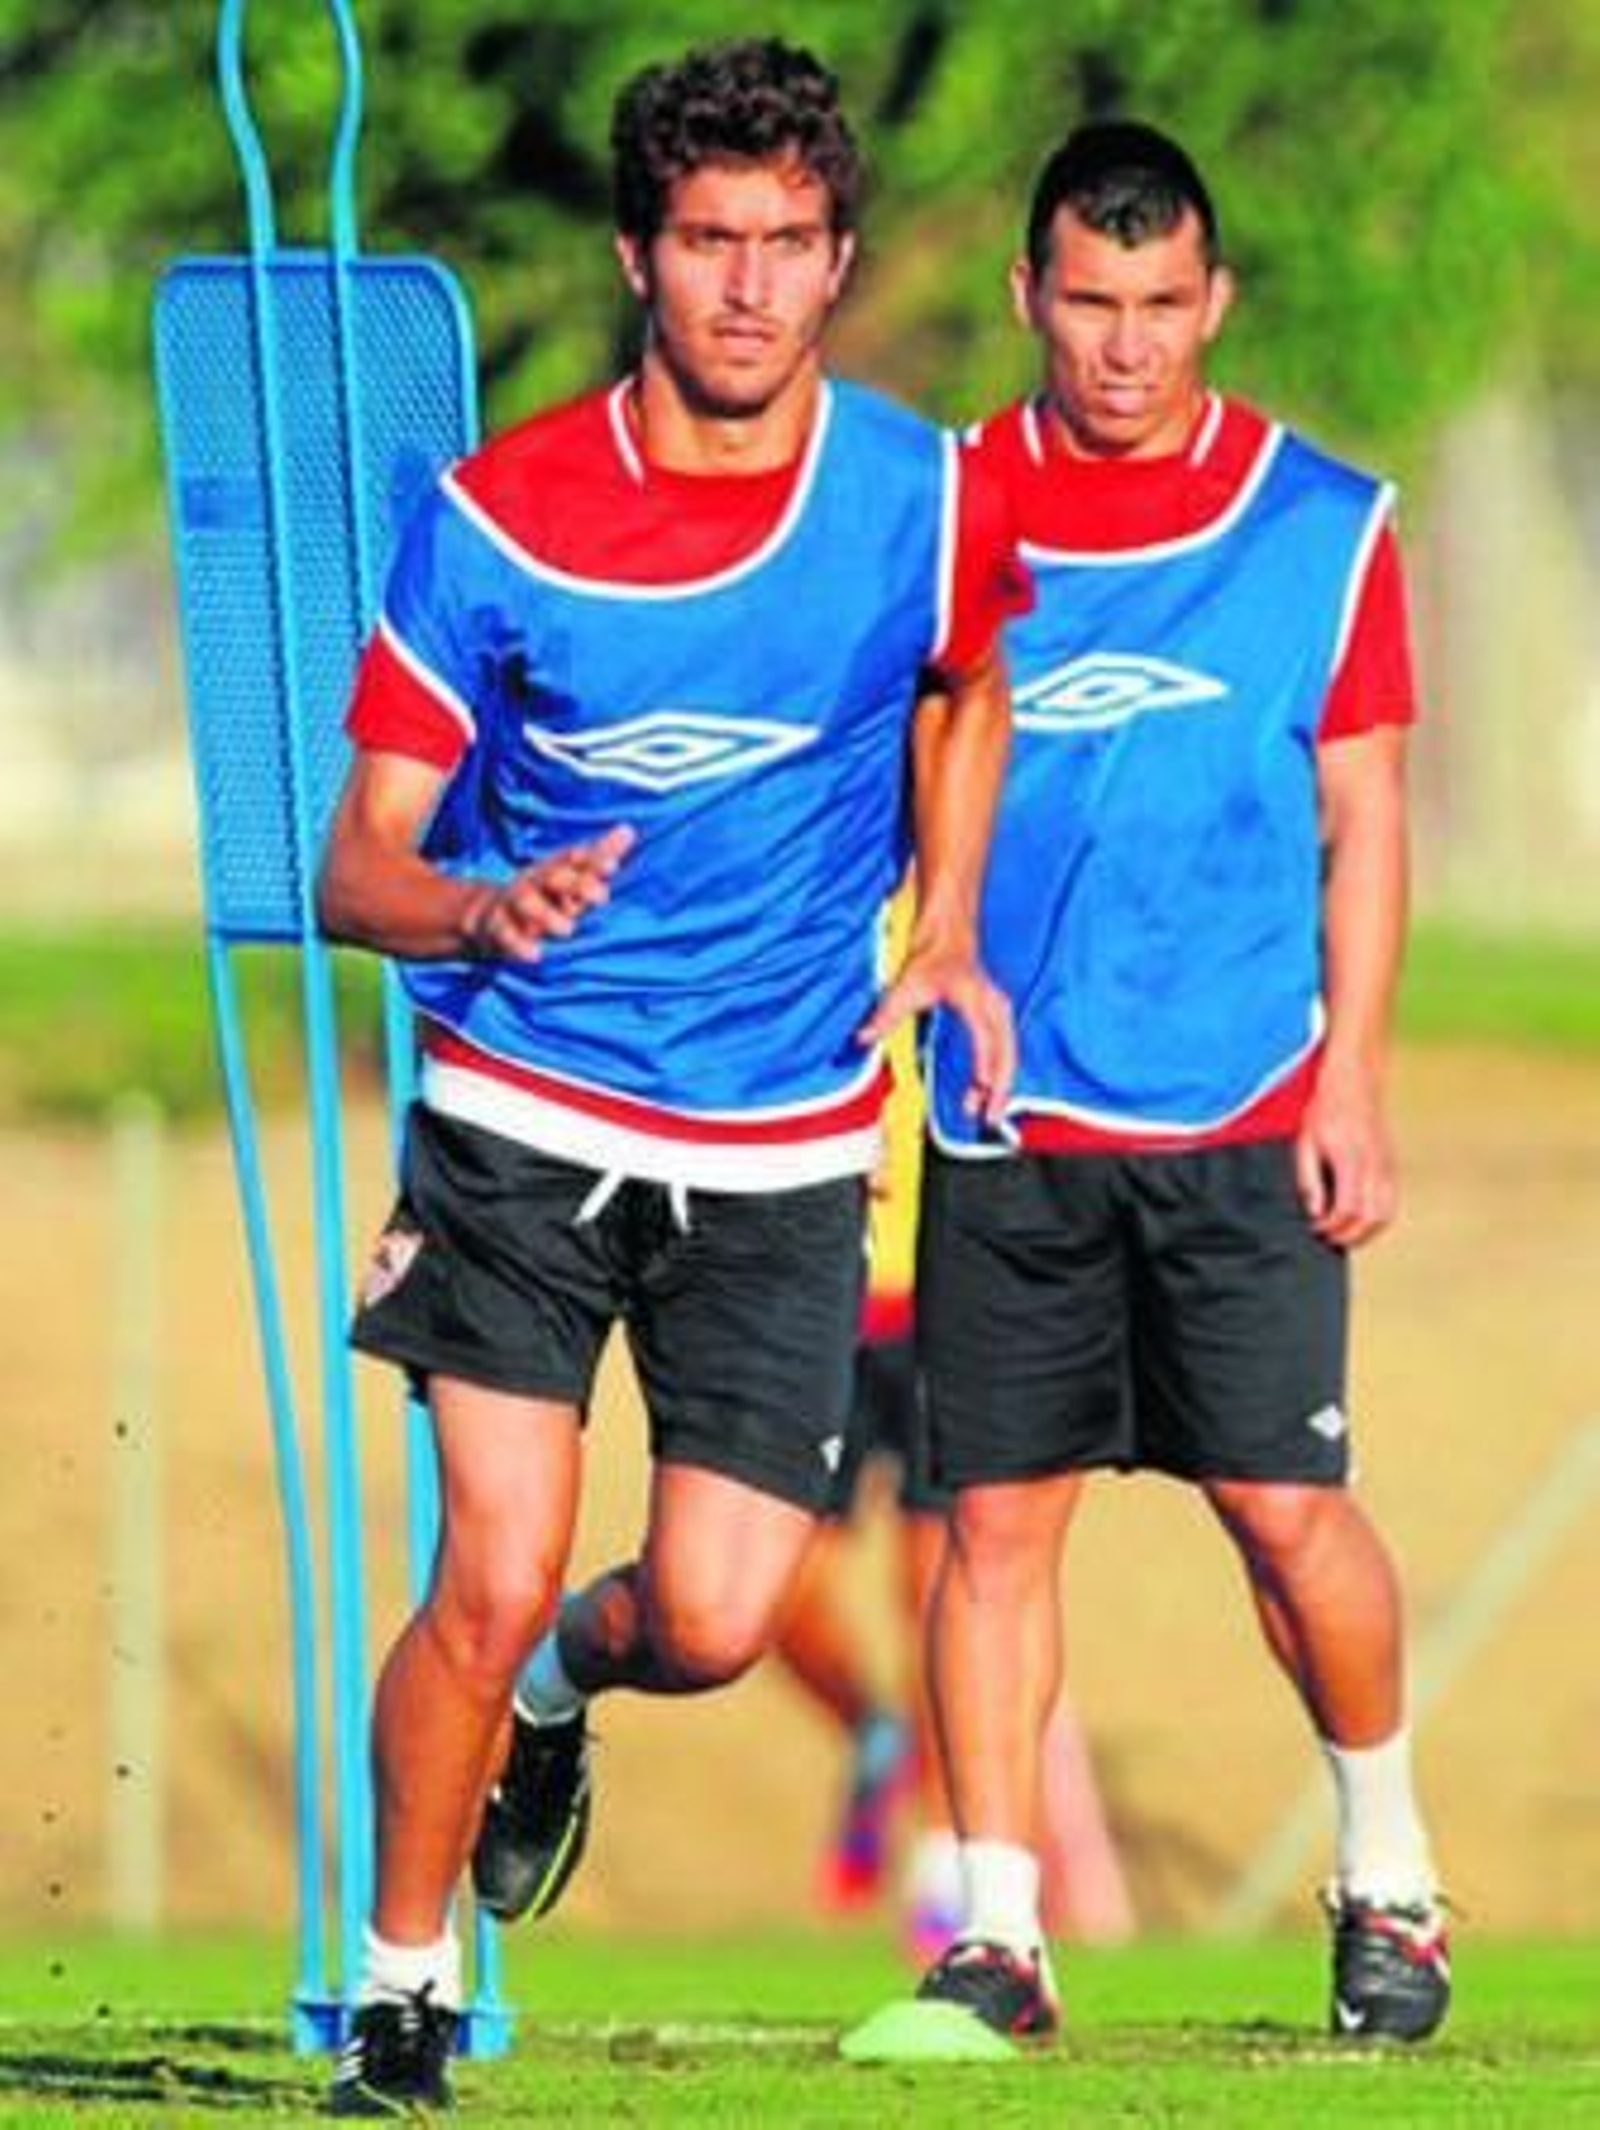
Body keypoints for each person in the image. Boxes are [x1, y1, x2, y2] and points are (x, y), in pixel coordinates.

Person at [315, 37, 1023, 2116]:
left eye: (785, 246)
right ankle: (399, 1997)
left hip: (784, 1143)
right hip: (522, 1114)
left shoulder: (923, 496)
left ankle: (554, 1703)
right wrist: (475, 914)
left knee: (713, 1618)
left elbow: (963, 692)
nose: (745, 288)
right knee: (491, 1557)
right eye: (706, 242)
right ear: (638, 254)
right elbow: (357, 860)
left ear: (835, 261)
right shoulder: (495, 517)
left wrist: (953, 919)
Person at [850, 120, 1450, 2057]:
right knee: (989, 1532)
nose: (1121, 346)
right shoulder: (934, 511)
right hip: (1003, 1124)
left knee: (1286, 1517)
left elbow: (1363, 818)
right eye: (1085, 304)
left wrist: (1352, 1074)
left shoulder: (1317, 524)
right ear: (1027, 296)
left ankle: (1387, 1882)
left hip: (1244, 1115)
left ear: (1214, 302)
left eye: (1158, 306)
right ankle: (996, 1939)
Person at [774, 1008, 1134, 1960]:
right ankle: (874, 1732)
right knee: (768, 1586)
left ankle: (942, 1866)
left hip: (953, 1288)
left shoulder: (972, 906)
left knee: (940, 1592)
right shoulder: (834, 884)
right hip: (830, 1289)